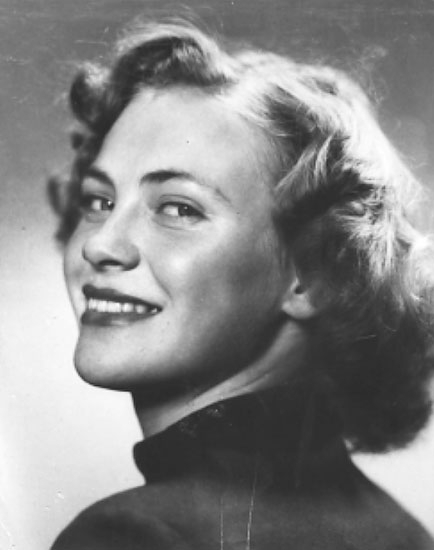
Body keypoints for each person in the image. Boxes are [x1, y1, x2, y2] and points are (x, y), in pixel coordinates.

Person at [49, 18, 434, 550]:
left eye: (179, 208)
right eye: (99, 200)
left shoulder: (136, 535)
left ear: (313, 275)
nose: (99, 244)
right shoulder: (403, 533)